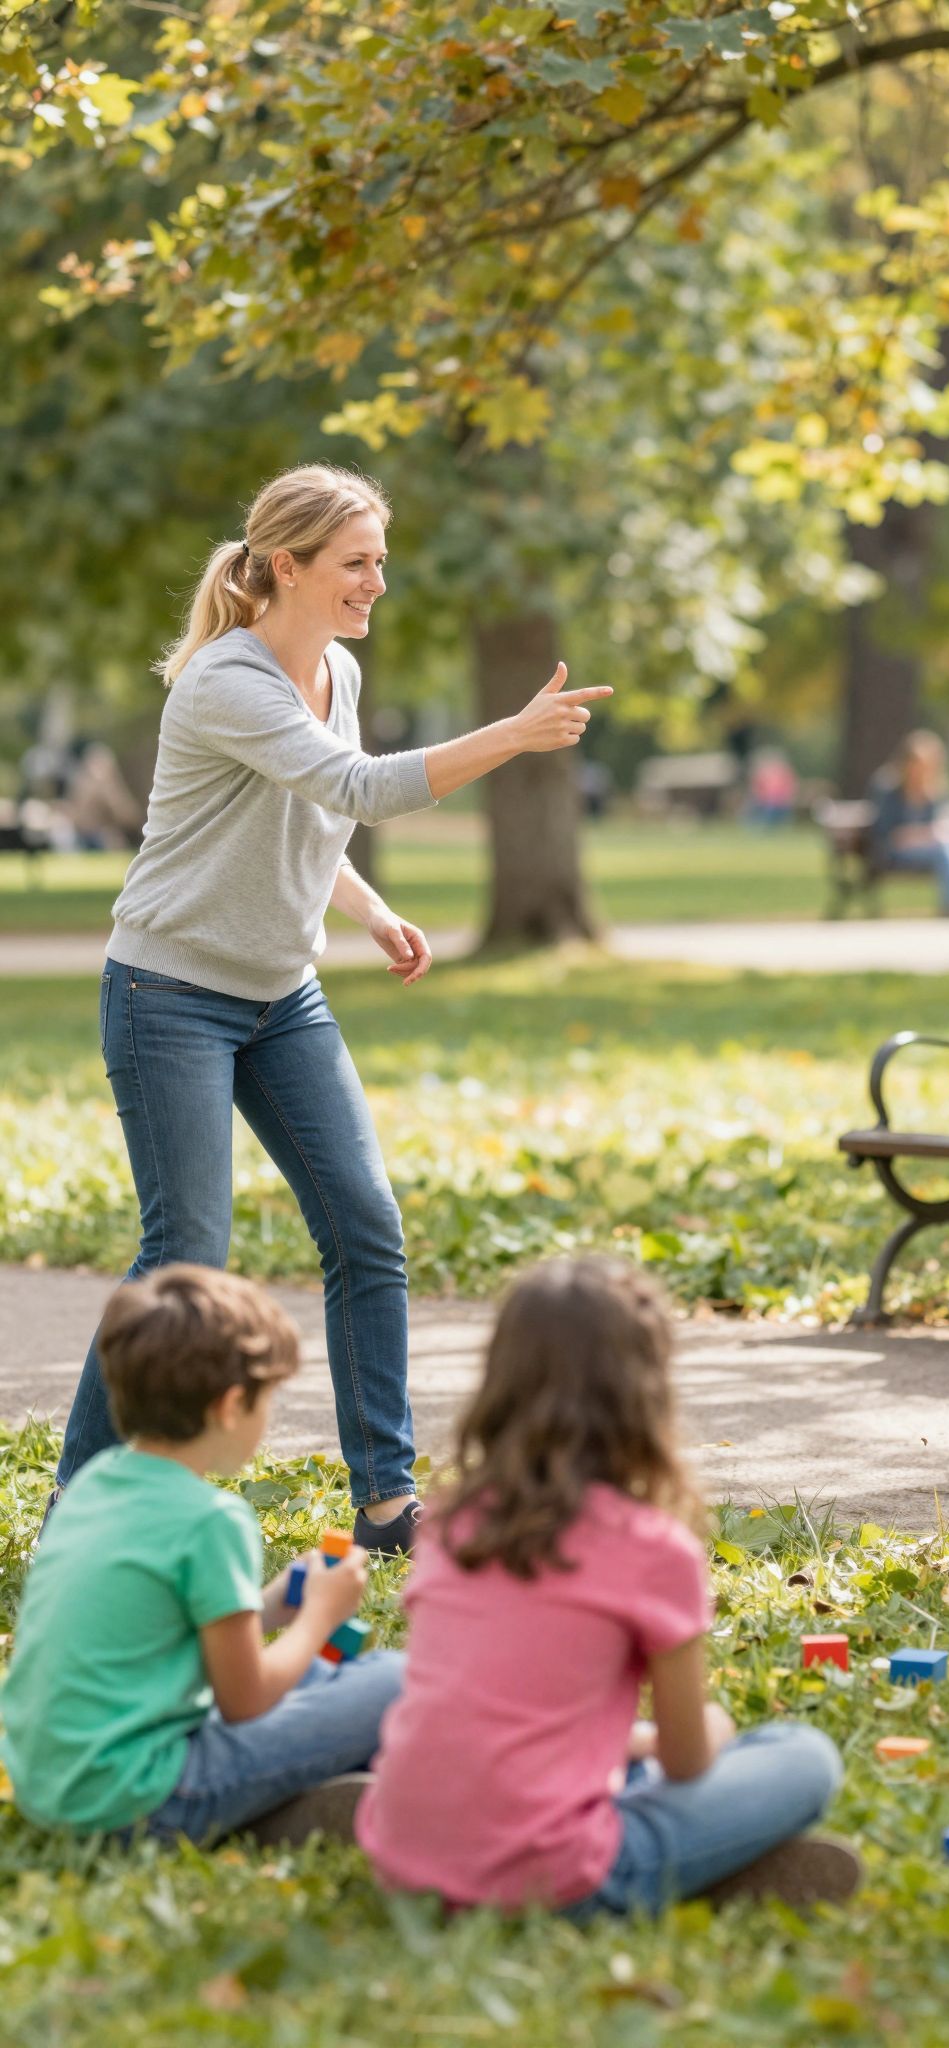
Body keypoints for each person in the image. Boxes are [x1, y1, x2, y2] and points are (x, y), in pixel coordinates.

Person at [53, 463, 611, 1553]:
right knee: (186, 1259)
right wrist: (510, 733)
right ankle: (84, 1507)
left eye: (380, 561)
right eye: (357, 563)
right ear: (288, 567)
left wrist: (365, 905)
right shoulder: (226, 680)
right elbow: (357, 788)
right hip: (169, 991)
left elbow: (310, 814)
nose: (376, 583)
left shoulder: (336, 673)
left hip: (280, 994)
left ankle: (389, 1502)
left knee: (367, 1225)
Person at [358, 1256, 860, 1916]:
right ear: (643, 1394)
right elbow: (686, 1759)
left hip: (399, 1856)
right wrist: (715, 1724)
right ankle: (696, 1863)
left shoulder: (452, 1520)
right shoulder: (653, 1550)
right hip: (552, 1876)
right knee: (804, 1756)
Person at [1, 1265, 403, 1845]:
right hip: (138, 1801)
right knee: (393, 1679)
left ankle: (291, 1795)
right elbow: (245, 1701)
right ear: (231, 1404)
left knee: (316, 1677)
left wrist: (267, 1606)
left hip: (49, 1782)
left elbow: (162, 1634)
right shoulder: (210, 1521)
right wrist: (319, 1617)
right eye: (267, 1400)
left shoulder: (94, 1484)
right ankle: (283, 1812)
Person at [867, 730, 949, 918]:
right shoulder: (887, 788)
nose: (921, 772)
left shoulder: (934, 790)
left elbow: (944, 824)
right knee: (946, 850)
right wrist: (924, 834)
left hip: (928, 851)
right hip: (894, 854)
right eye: (918, 765)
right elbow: (887, 835)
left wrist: (937, 833)